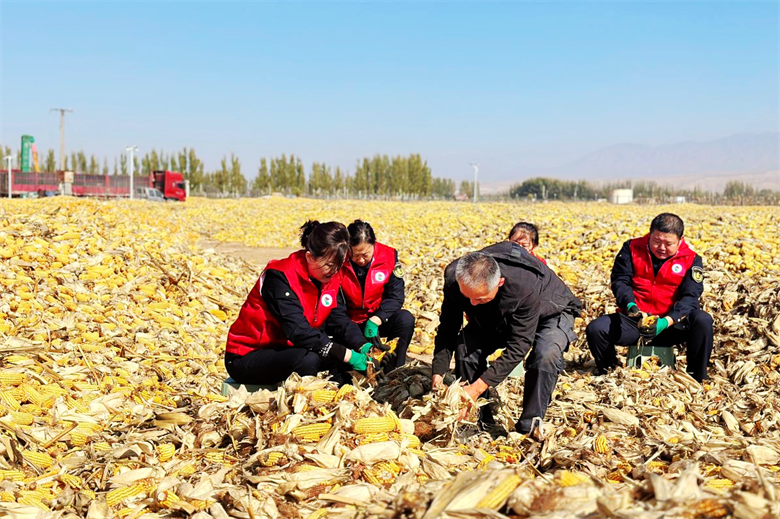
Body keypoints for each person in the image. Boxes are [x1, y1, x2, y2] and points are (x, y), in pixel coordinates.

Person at [431, 241, 581, 435]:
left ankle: (529, 425)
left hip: (550, 310)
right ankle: (478, 418)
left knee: (546, 354)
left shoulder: (524, 285)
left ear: (499, 282)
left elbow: (519, 345)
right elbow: (448, 327)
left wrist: (476, 388)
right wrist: (438, 374)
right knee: (466, 346)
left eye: (480, 298)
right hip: (498, 311)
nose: (472, 304)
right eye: (467, 297)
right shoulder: (455, 276)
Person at [224, 221, 377, 386]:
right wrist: (347, 355)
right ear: (310, 257)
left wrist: (362, 346)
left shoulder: (330, 277)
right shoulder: (280, 277)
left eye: (338, 267)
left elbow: (338, 319)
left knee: (340, 355)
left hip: (288, 349)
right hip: (248, 356)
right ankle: (304, 403)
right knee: (308, 359)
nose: (334, 272)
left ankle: (342, 398)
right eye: (329, 265)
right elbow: (297, 330)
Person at [585, 213, 713, 382]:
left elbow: (690, 297)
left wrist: (667, 320)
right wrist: (630, 306)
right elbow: (620, 281)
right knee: (596, 329)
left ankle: (697, 377)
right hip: (636, 320)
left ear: (680, 240)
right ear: (649, 234)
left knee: (702, 321)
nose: (661, 247)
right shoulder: (631, 248)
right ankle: (611, 373)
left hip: (670, 325)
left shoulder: (692, 259)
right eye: (656, 241)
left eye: (668, 244)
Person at [341, 220, 415, 372]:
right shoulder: (339, 261)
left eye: (365, 254)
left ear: (374, 244)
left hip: (376, 319)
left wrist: (377, 319)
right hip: (350, 323)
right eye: (355, 255)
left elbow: (396, 296)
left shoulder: (389, 257)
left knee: (405, 319)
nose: (361, 260)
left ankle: (393, 369)